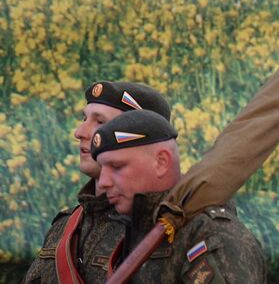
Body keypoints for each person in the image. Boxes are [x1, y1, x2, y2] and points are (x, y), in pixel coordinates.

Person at [90, 110, 266, 283]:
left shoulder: (212, 235)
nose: (103, 182)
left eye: (117, 167)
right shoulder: (133, 230)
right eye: (102, 169)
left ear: (161, 162)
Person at [24, 80, 172, 284]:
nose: (80, 132)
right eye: (84, 118)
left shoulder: (174, 230)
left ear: (145, 137)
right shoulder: (64, 229)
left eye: (100, 122)